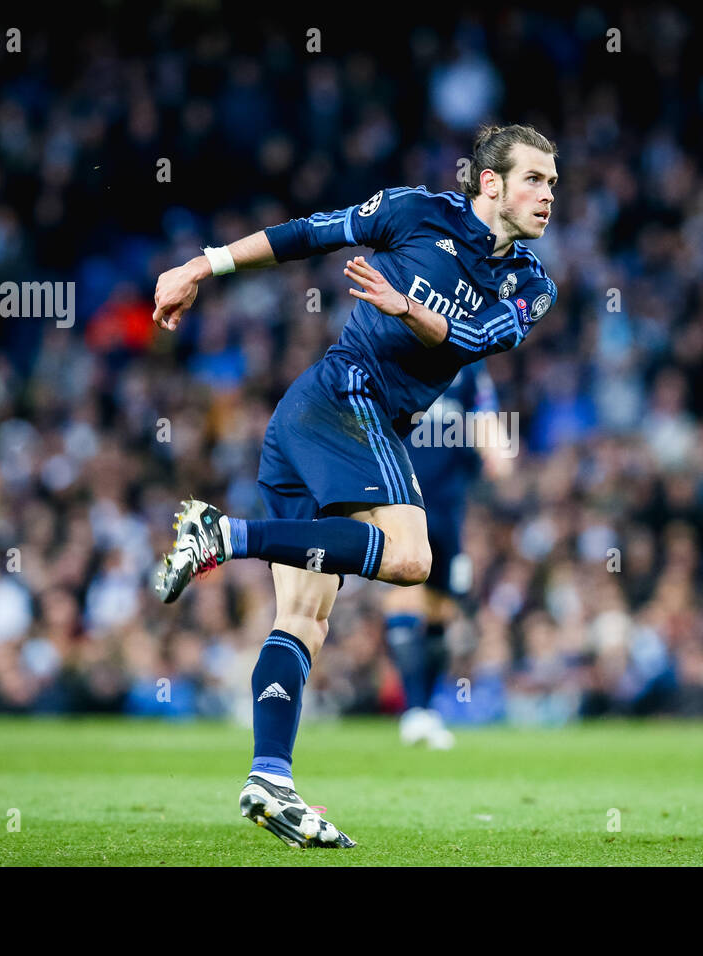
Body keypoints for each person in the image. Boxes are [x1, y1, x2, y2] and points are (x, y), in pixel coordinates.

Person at [149, 124, 558, 848]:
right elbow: (308, 233)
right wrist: (201, 267)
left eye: (553, 183)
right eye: (534, 179)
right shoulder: (412, 212)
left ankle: (269, 777)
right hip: (344, 398)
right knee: (411, 558)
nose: (548, 195)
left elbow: (470, 342)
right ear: (491, 183)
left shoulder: (530, 284)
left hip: (319, 419)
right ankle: (226, 535)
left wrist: (408, 310)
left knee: (304, 618)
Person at [385, 360, 513, 750]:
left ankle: (425, 711)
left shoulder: (469, 362)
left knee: (442, 607)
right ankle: (413, 710)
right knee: (405, 592)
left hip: (449, 503)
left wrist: (497, 450)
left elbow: (483, 413)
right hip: (400, 497)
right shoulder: (398, 347)